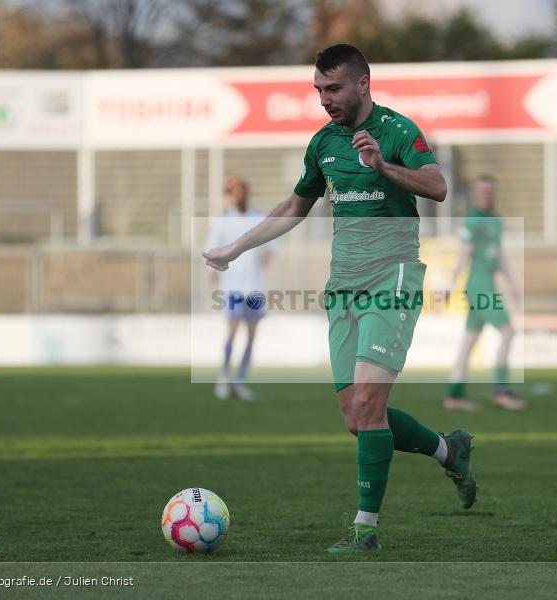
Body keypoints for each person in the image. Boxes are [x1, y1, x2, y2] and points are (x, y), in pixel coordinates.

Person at [203, 44, 478, 555]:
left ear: (363, 84)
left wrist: (384, 167)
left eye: (333, 89)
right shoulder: (323, 144)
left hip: (393, 279)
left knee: (371, 403)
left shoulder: (398, 131)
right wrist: (235, 248)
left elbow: (437, 187)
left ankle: (365, 529)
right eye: (318, 90)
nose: (324, 99)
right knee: (357, 416)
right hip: (343, 287)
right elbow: (295, 205)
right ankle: (449, 450)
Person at [444, 175, 526, 411]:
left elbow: (498, 256)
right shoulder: (474, 220)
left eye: (489, 191)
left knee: (469, 341)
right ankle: (501, 392)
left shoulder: (497, 221)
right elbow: (464, 255)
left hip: (487, 283)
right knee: (508, 331)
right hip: (479, 286)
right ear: (475, 194)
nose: (486, 195)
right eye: (482, 192)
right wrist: (451, 286)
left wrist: (512, 282)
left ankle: (454, 395)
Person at [206, 175, 274, 401]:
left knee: (252, 336)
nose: (239, 197)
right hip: (233, 286)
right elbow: (212, 248)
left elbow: (270, 244)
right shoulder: (223, 220)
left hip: (254, 287)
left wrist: (267, 254)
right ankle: (224, 376)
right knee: (232, 332)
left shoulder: (258, 217)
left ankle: (241, 381)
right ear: (230, 196)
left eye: (242, 192)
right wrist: (212, 273)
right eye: (234, 192)